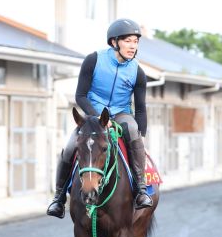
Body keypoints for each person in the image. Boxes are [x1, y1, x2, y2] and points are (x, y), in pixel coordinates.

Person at [47, 18, 153, 219]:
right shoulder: (93, 60)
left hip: (122, 114)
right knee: (70, 146)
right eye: (128, 41)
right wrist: (98, 117)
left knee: (132, 130)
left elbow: (140, 109)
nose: (133, 46)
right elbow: (80, 96)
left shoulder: (138, 72)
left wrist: (142, 136)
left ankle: (140, 191)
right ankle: (58, 199)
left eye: (136, 41)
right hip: (93, 113)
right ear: (114, 42)